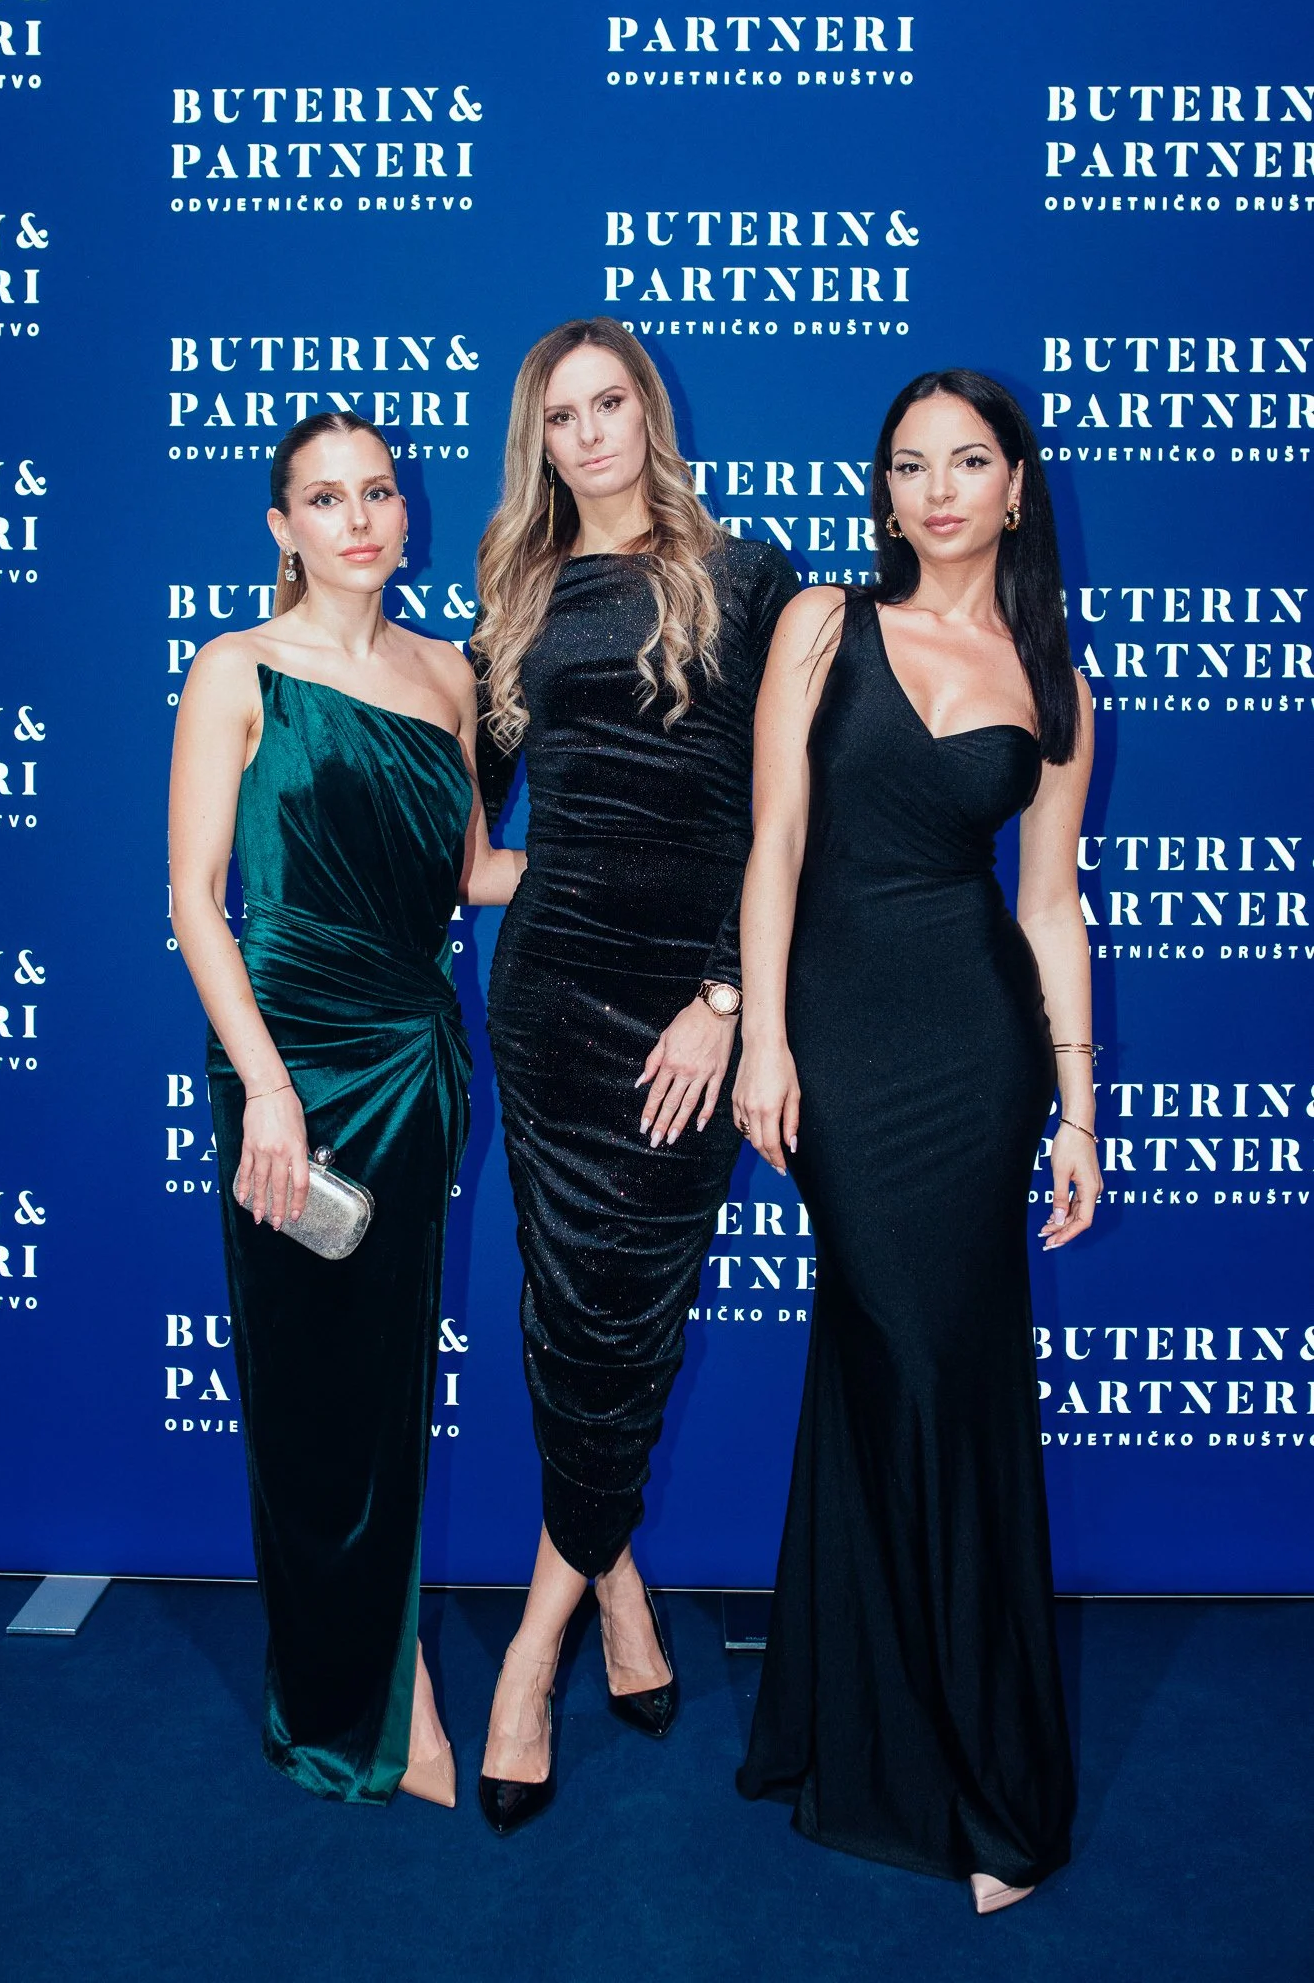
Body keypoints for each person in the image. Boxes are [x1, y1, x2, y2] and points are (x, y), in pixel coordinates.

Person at [733, 370, 1101, 1913]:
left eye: (968, 462)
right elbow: (776, 844)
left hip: (978, 1046)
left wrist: (1078, 1101)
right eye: (909, 465)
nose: (938, 489)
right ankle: (913, 1740)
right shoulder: (822, 624)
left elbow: (1047, 903)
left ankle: (920, 1745)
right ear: (882, 490)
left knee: (928, 1371)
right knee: (912, 1357)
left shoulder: (1057, 681)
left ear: (1016, 485)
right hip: (842, 1045)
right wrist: (762, 1034)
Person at [470, 317, 799, 1832]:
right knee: (564, 1311)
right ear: (535, 439)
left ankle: (536, 1645)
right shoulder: (515, 599)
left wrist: (727, 997)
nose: (589, 434)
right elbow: (469, 844)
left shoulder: (744, 579)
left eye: (610, 405)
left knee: (630, 1317)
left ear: (648, 414)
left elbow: (781, 821)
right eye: (561, 415)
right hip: (552, 1000)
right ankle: (616, 1605)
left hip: (690, 1010)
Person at [168, 411, 521, 1809]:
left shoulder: (452, 675)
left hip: (415, 1063)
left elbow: (472, 875)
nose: (360, 517)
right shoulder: (236, 670)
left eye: (377, 491)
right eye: (326, 497)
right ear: (282, 527)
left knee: (382, 1385)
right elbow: (198, 900)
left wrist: (645, 880)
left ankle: (388, 1678)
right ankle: (367, 1702)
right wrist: (262, 1085)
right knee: (311, 1393)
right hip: (288, 1069)